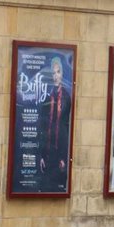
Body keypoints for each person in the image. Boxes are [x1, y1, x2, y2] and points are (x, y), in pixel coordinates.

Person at [38, 56, 73, 192]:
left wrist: (63, 157)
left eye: (58, 72)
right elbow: (44, 127)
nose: (56, 76)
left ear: (62, 74)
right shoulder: (49, 96)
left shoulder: (66, 97)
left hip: (59, 154)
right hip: (48, 153)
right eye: (53, 73)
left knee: (57, 190)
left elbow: (66, 128)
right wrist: (41, 155)